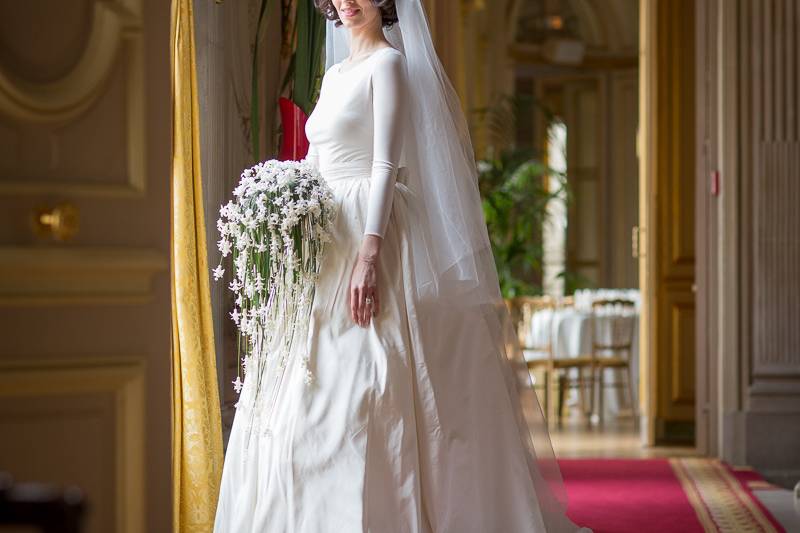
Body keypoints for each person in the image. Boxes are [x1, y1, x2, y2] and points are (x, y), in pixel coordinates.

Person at [213, 1, 589, 531]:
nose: (347, 1)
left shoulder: (389, 65)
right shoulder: (335, 73)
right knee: (304, 390)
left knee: (370, 382)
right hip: (324, 236)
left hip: (375, 229)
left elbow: (386, 162)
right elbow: (316, 158)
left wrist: (370, 253)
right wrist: (285, 214)